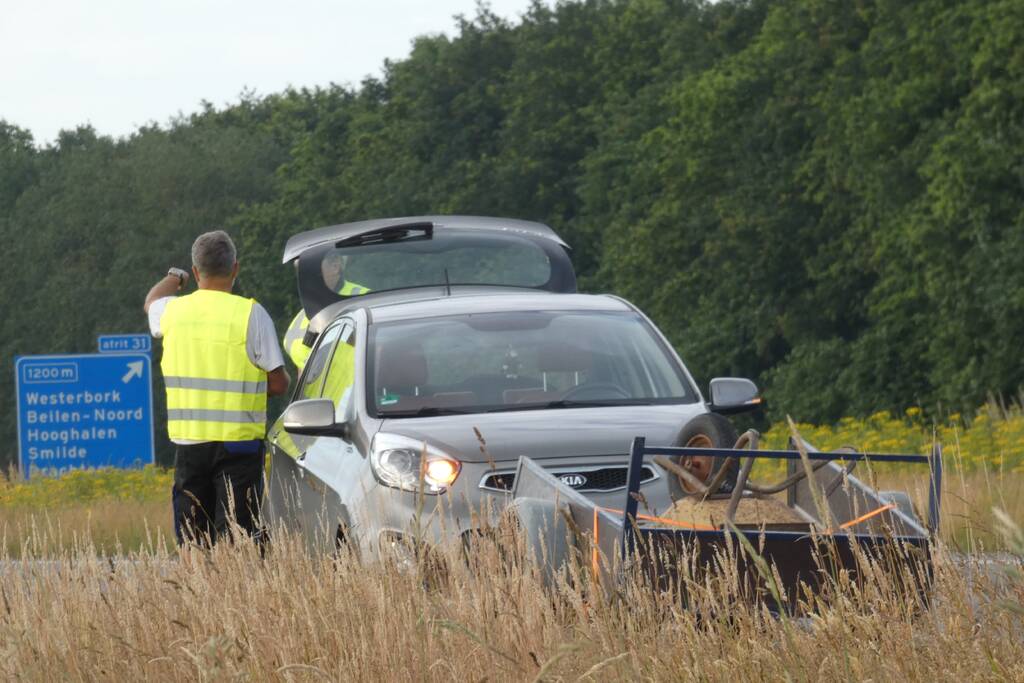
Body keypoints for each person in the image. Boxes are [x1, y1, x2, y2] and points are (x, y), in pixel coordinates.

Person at [143, 230, 290, 546]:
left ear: (196, 272)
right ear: (235, 269)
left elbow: (151, 301)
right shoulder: (252, 314)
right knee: (242, 536)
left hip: (190, 443)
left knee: (194, 539)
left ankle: (201, 593)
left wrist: (175, 277)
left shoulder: (172, 311)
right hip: (239, 444)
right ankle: (244, 591)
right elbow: (279, 383)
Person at [283, 251, 369, 371]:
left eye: (309, 267)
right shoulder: (299, 320)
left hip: (361, 389)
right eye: (299, 270)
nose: (303, 276)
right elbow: (302, 376)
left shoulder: (365, 300)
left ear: (335, 266)